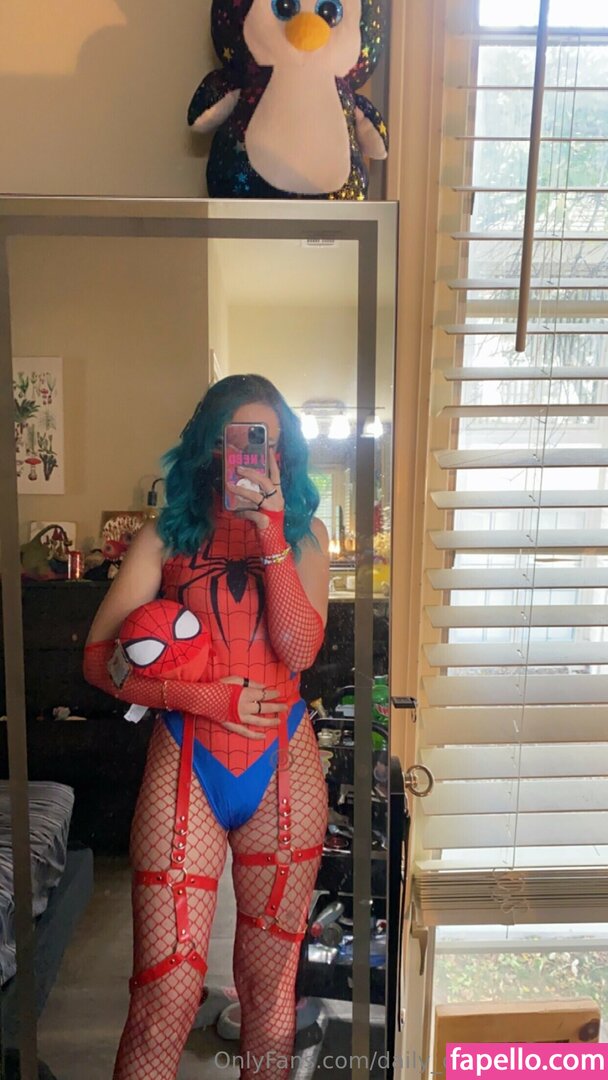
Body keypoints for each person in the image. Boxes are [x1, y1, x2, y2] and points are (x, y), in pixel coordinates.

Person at [83, 374, 330, 1080]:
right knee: (163, 988)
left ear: (285, 455)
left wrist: (271, 534)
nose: (256, 457)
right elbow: (100, 661)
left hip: (283, 764)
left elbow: (299, 652)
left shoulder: (307, 536)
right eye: (241, 441)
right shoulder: (165, 537)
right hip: (187, 755)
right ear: (207, 448)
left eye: (270, 445)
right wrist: (204, 698)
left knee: (270, 989)